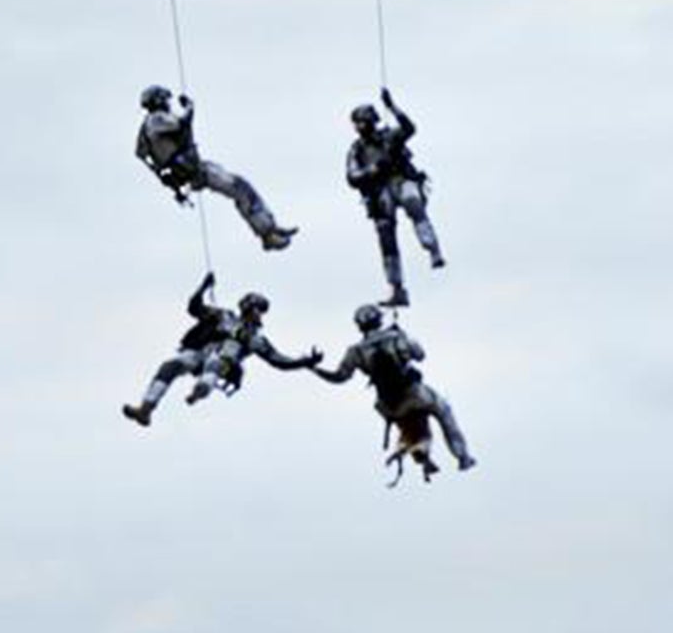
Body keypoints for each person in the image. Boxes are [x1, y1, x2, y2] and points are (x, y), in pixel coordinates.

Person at [123, 275, 321, 425]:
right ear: (246, 307)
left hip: (224, 363)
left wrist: (304, 361)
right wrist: (203, 287)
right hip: (200, 353)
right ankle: (146, 409)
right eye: (256, 309)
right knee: (170, 366)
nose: (259, 314)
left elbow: (278, 360)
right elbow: (194, 308)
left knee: (220, 357)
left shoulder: (255, 338)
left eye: (261, 311)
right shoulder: (222, 315)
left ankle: (201, 389)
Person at [136, 84, 299, 251]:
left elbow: (143, 155)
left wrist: (169, 180)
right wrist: (190, 106)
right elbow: (182, 124)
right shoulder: (156, 119)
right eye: (165, 100)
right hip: (192, 171)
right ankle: (268, 234)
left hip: (189, 170)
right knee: (240, 188)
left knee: (239, 186)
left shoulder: (146, 128)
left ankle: (269, 227)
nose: (168, 104)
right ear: (158, 101)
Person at [315, 304, 475, 473]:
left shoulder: (355, 351)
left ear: (359, 326)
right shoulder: (396, 336)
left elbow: (339, 377)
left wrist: (314, 369)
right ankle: (462, 457)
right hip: (414, 395)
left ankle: (418, 449)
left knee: (407, 424)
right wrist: (404, 336)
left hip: (387, 405)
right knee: (443, 411)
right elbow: (420, 355)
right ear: (379, 320)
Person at [344, 87, 443, 306]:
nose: (359, 127)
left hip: (401, 180)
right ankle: (396, 287)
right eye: (356, 123)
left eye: (362, 121)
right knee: (386, 237)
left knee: (413, 204)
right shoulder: (356, 150)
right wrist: (374, 169)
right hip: (379, 192)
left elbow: (409, 128)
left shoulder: (389, 135)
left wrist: (392, 106)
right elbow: (351, 176)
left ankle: (432, 247)